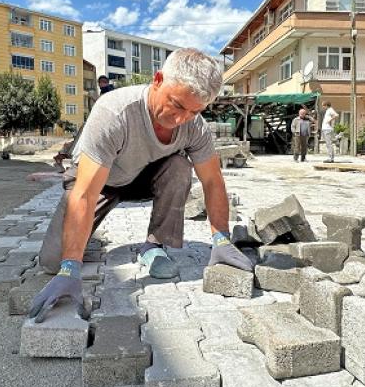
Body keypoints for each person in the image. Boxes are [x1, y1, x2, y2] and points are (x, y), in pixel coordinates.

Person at [29, 49, 253, 322]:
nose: (182, 119)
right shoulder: (115, 112)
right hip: (99, 182)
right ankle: (80, 242)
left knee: (180, 167)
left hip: (140, 178)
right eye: (178, 105)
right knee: (52, 262)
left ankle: (153, 245)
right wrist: (69, 267)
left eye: (195, 111)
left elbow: (213, 182)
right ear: (158, 80)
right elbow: (85, 194)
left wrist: (221, 239)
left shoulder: (195, 126)